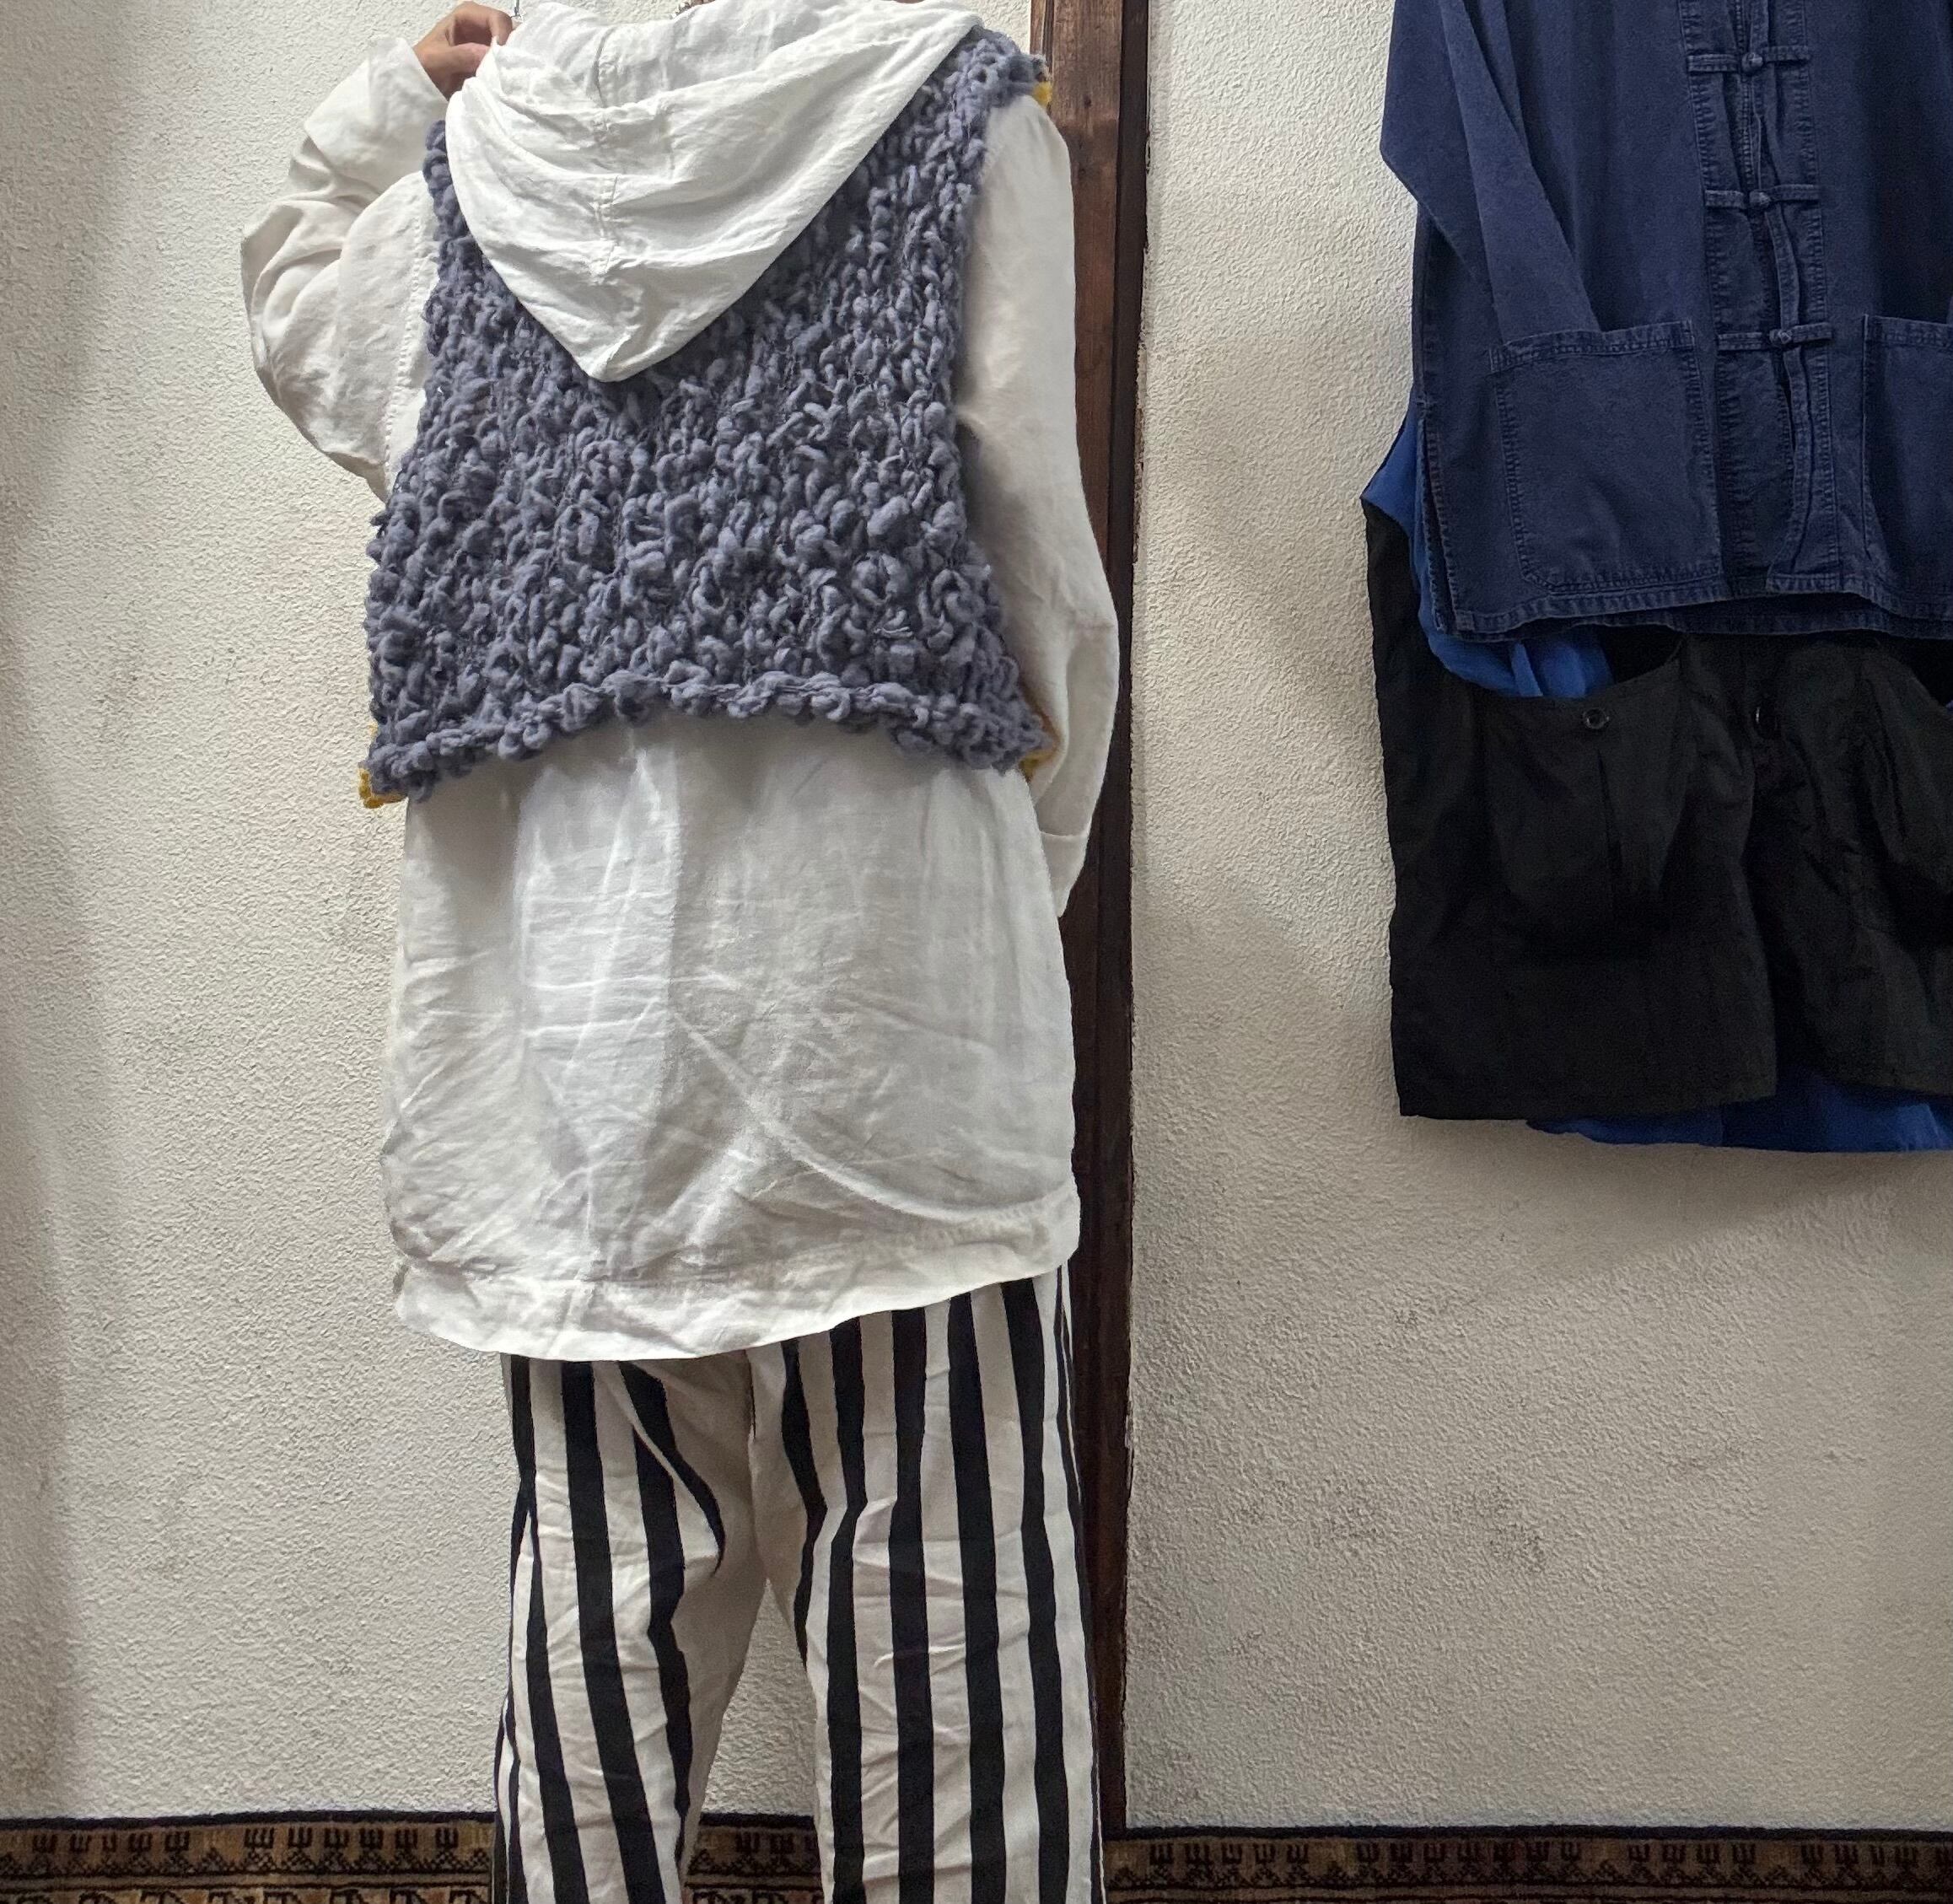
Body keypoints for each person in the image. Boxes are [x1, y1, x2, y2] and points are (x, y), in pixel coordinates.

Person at [241, 3, 1119, 1901]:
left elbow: (296, 301)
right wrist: (1030, 868)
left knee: (605, 1577)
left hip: (567, 1030)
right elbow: (1038, 559)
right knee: (947, 1584)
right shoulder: (960, 112)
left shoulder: (471, 177)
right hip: (898, 994)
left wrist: (405, 91)